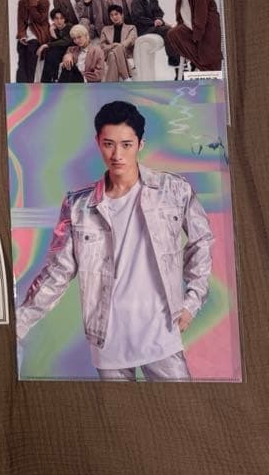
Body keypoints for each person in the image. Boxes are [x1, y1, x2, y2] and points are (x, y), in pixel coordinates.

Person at [16, 101, 213, 381]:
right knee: (120, 411)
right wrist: (19, 324)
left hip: (161, 332)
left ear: (140, 144)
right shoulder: (79, 205)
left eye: (126, 145)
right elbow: (58, 272)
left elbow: (202, 241)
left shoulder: (173, 190)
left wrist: (192, 303)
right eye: (109, 144)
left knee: (181, 407)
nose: (117, 155)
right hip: (108, 339)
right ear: (97, 142)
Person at [165, 0, 223, 72]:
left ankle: (207, 71)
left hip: (206, 27)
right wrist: (180, 24)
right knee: (173, 33)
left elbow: (201, 13)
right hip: (190, 26)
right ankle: (197, 63)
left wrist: (197, 34)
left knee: (208, 56)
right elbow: (181, 12)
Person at [131, 0, 180, 68]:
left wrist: (158, 19)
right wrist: (153, 22)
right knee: (167, 29)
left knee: (174, 29)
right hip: (143, 28)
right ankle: (173, 59)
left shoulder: (153, 0)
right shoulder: (137, 0)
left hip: (154, 26)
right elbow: (137, 18)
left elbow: (159, 13)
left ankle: (179, 57)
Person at [16, 0, 51, 82]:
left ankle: (30, 84)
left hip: (38, 33)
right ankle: (21, 85)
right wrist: (22, 35)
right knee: (21, 60)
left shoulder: (44, 1)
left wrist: (32, 5)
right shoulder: (22, 1)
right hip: (25, 33)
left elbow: (40, 19)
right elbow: (20, 20)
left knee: (31, 59)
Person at [99, 5, 136, 81]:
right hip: (108, 54)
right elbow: (102, 46)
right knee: (112, 53)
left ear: (122, 15)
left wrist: (118, 46)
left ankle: (110, 85)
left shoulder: (131, 28)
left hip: (124, 54)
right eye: (111, 15)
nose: (114, 17)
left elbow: (130, 40)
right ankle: (126, 78)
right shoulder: (105, 29)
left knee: (113, 54)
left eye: (116, 14)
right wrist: (113, 45)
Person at [38, 9, 73, 83]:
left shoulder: (69, 27)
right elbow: (55, 43)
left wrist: (46, 45)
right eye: (56, 18)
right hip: (56, 53)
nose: (59, 21)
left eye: (61, 18)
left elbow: (65, 42)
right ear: (53, 19)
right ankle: (47, 81)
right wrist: (52, 31)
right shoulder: (53, 28)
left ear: (65, 19)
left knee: (53, 52)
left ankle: (51, 79)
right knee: (51, 53)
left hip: (69, 51)